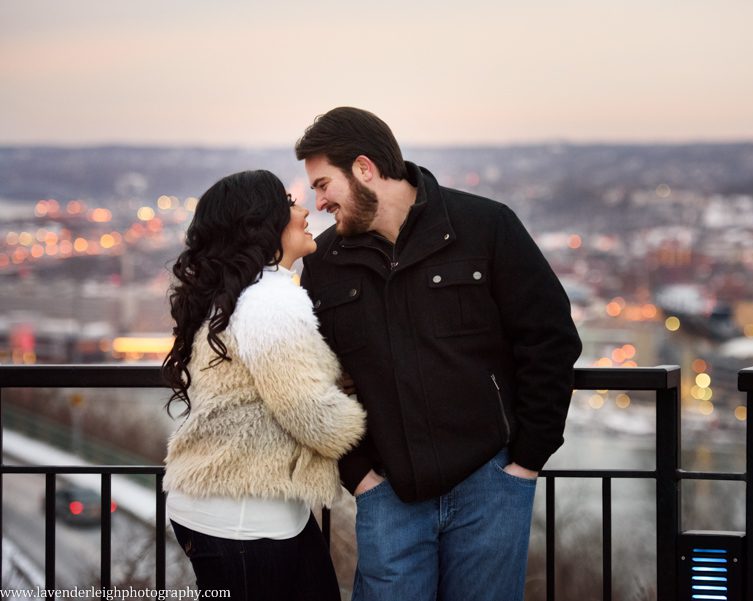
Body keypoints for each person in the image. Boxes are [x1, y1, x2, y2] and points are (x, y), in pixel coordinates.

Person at [295, 107, 582, 601]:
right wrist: (360, 477)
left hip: (491, 484)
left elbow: (549, 338)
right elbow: (315, 382)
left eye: (323, 185)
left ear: (364, 168)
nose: (318, 202)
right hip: (389, 493)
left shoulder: (485, 227)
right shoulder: (326, 265)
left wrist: (526, 463)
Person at [161, 169, 366, 600]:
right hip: (245, 521)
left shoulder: (239, 295)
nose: (304, 210)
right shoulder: (270, 300)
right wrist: (374, 424)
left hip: (232, 508)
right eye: (290, 205)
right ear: (262, 224)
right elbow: (314, 417)